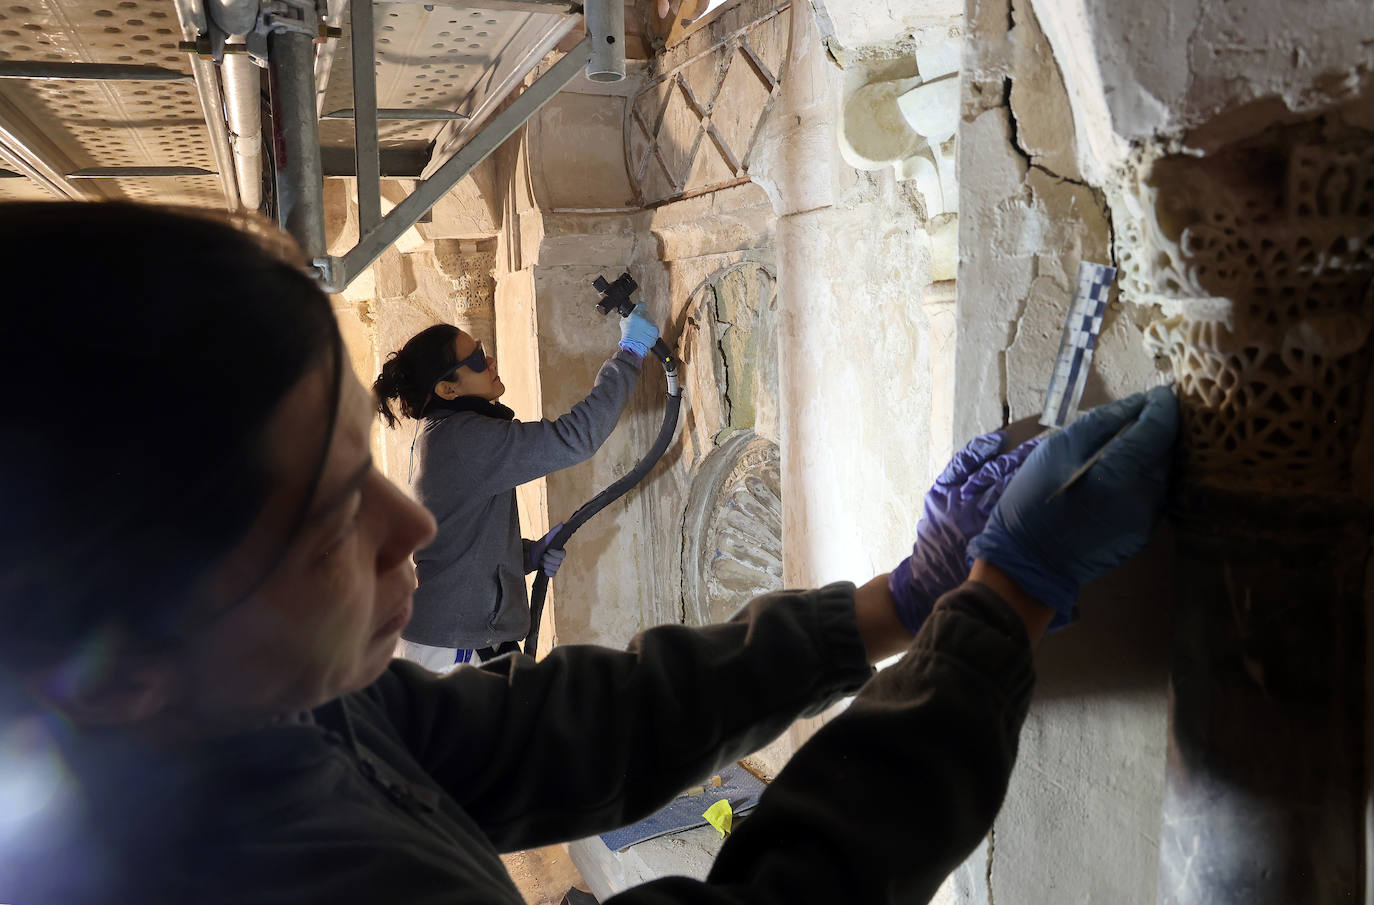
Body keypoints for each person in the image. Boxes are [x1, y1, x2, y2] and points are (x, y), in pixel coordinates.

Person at [0, 202, 1178, 905]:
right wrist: (1004, 601)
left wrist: (898, 601)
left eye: (365, 464)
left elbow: (550, 730)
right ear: (112, 670)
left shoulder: (263, 710)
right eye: (325, 521)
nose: (407, 528)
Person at [372, 304, 660, 669]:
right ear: (447, 389)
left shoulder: (444, 436)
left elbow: (455, 541)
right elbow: (575, 438)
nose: (489, 360)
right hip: (454, 650)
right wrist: (630, 354)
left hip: (453, 641)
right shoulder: (463, 440)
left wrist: (524, 556)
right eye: (476, 360)